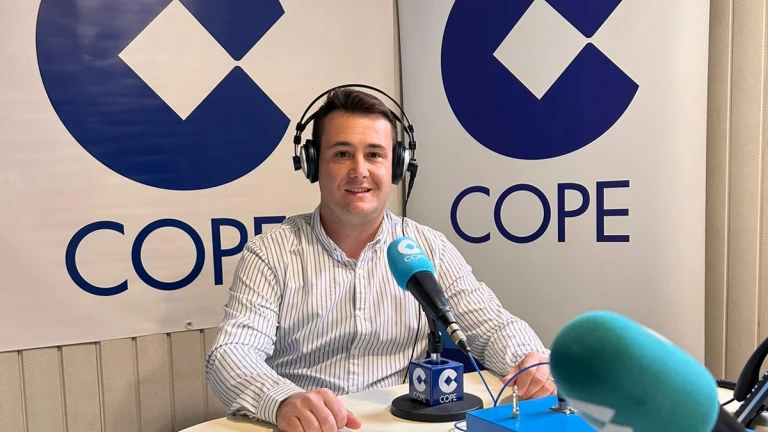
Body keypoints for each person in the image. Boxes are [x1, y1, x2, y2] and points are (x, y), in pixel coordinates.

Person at [205, 88, 555, 432]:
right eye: (342, 154)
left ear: (396, 166)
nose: (359, 170)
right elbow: (232, 353)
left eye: (374, 154)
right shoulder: (271, 253)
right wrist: (283, 400)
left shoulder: (427, 247)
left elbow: (493, 327)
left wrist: (530, 362)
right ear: (313, 164)